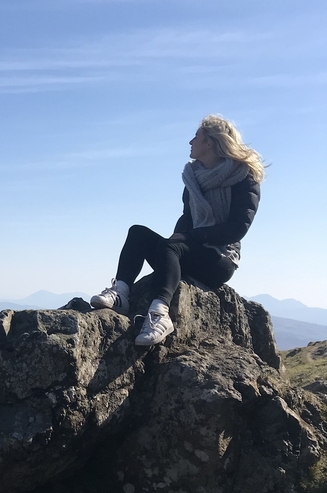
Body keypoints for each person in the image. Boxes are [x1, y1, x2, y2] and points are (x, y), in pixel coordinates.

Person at [90, 115, 265, 346]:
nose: (191, 142)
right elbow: (187, 218)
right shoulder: (193, 177)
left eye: (196, 137)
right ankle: (121, 293)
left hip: (220, 259)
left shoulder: (244, 177)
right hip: (192, 249)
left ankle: (160, 315)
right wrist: (174, 243)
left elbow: (238, 228)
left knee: (169, 245)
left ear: (210, 143)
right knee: (138, 233)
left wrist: (186, 239)